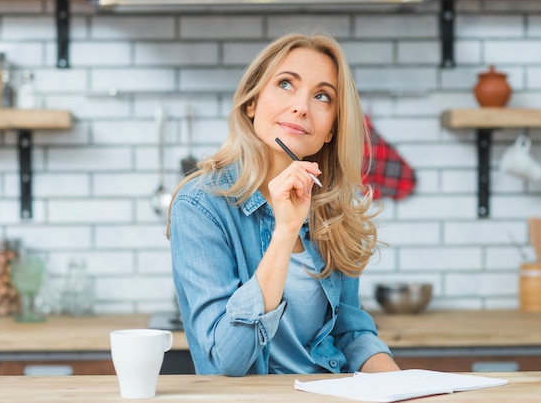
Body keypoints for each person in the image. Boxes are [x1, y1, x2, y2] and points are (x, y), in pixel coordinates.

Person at [167, 31, 399, 376]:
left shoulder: (333, 208)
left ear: (331, 128)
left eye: (322, 96)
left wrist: (402, 384)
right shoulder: (201, 205)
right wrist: (285, 229)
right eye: (286, 84)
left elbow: (351, 333)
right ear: (252, 102)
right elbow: (227, 359)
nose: (301, 107)